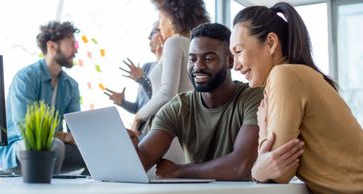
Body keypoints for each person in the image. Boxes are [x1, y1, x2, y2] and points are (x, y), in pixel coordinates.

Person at [230, 2, 363, 193]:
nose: (235, 65)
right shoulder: (301, 75)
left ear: (271, 43)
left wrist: (263, 126)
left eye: (239, 51)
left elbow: (277, 173)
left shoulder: (284, 75)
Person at [128, 23, 263, 180]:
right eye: (192, 59)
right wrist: (128, 146)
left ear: (230, 61)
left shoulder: (253, 97)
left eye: (209, 58)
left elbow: (242, 166)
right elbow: (143, 160)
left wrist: (178, 171)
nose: (198, 66)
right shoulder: (178, 107)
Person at [0, 21, 87, 174]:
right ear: (52, 46)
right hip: (20, 147)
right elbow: (25, 128)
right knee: (55, 146)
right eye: (71, 44)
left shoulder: (71, 86)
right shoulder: (25, 78)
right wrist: (66, 136)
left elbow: (76, 132)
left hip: (57, 150)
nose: (75, 50)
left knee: (96, 152)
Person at [130, 0, 210, 132]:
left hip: (165, 128)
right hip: (182, 126)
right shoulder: (191, 44)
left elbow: (167, 93)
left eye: (160, 17)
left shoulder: (175, 42)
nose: (160, 26)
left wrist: (138, 116)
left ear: (171, 17)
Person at [105, 25, 163, 116]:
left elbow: (158, 101)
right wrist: (123, 103)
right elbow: (137, 108)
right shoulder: (147, 67)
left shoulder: (166, 68)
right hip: (142, 126)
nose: (149, 38)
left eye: (152, 33)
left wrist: (142, 80)